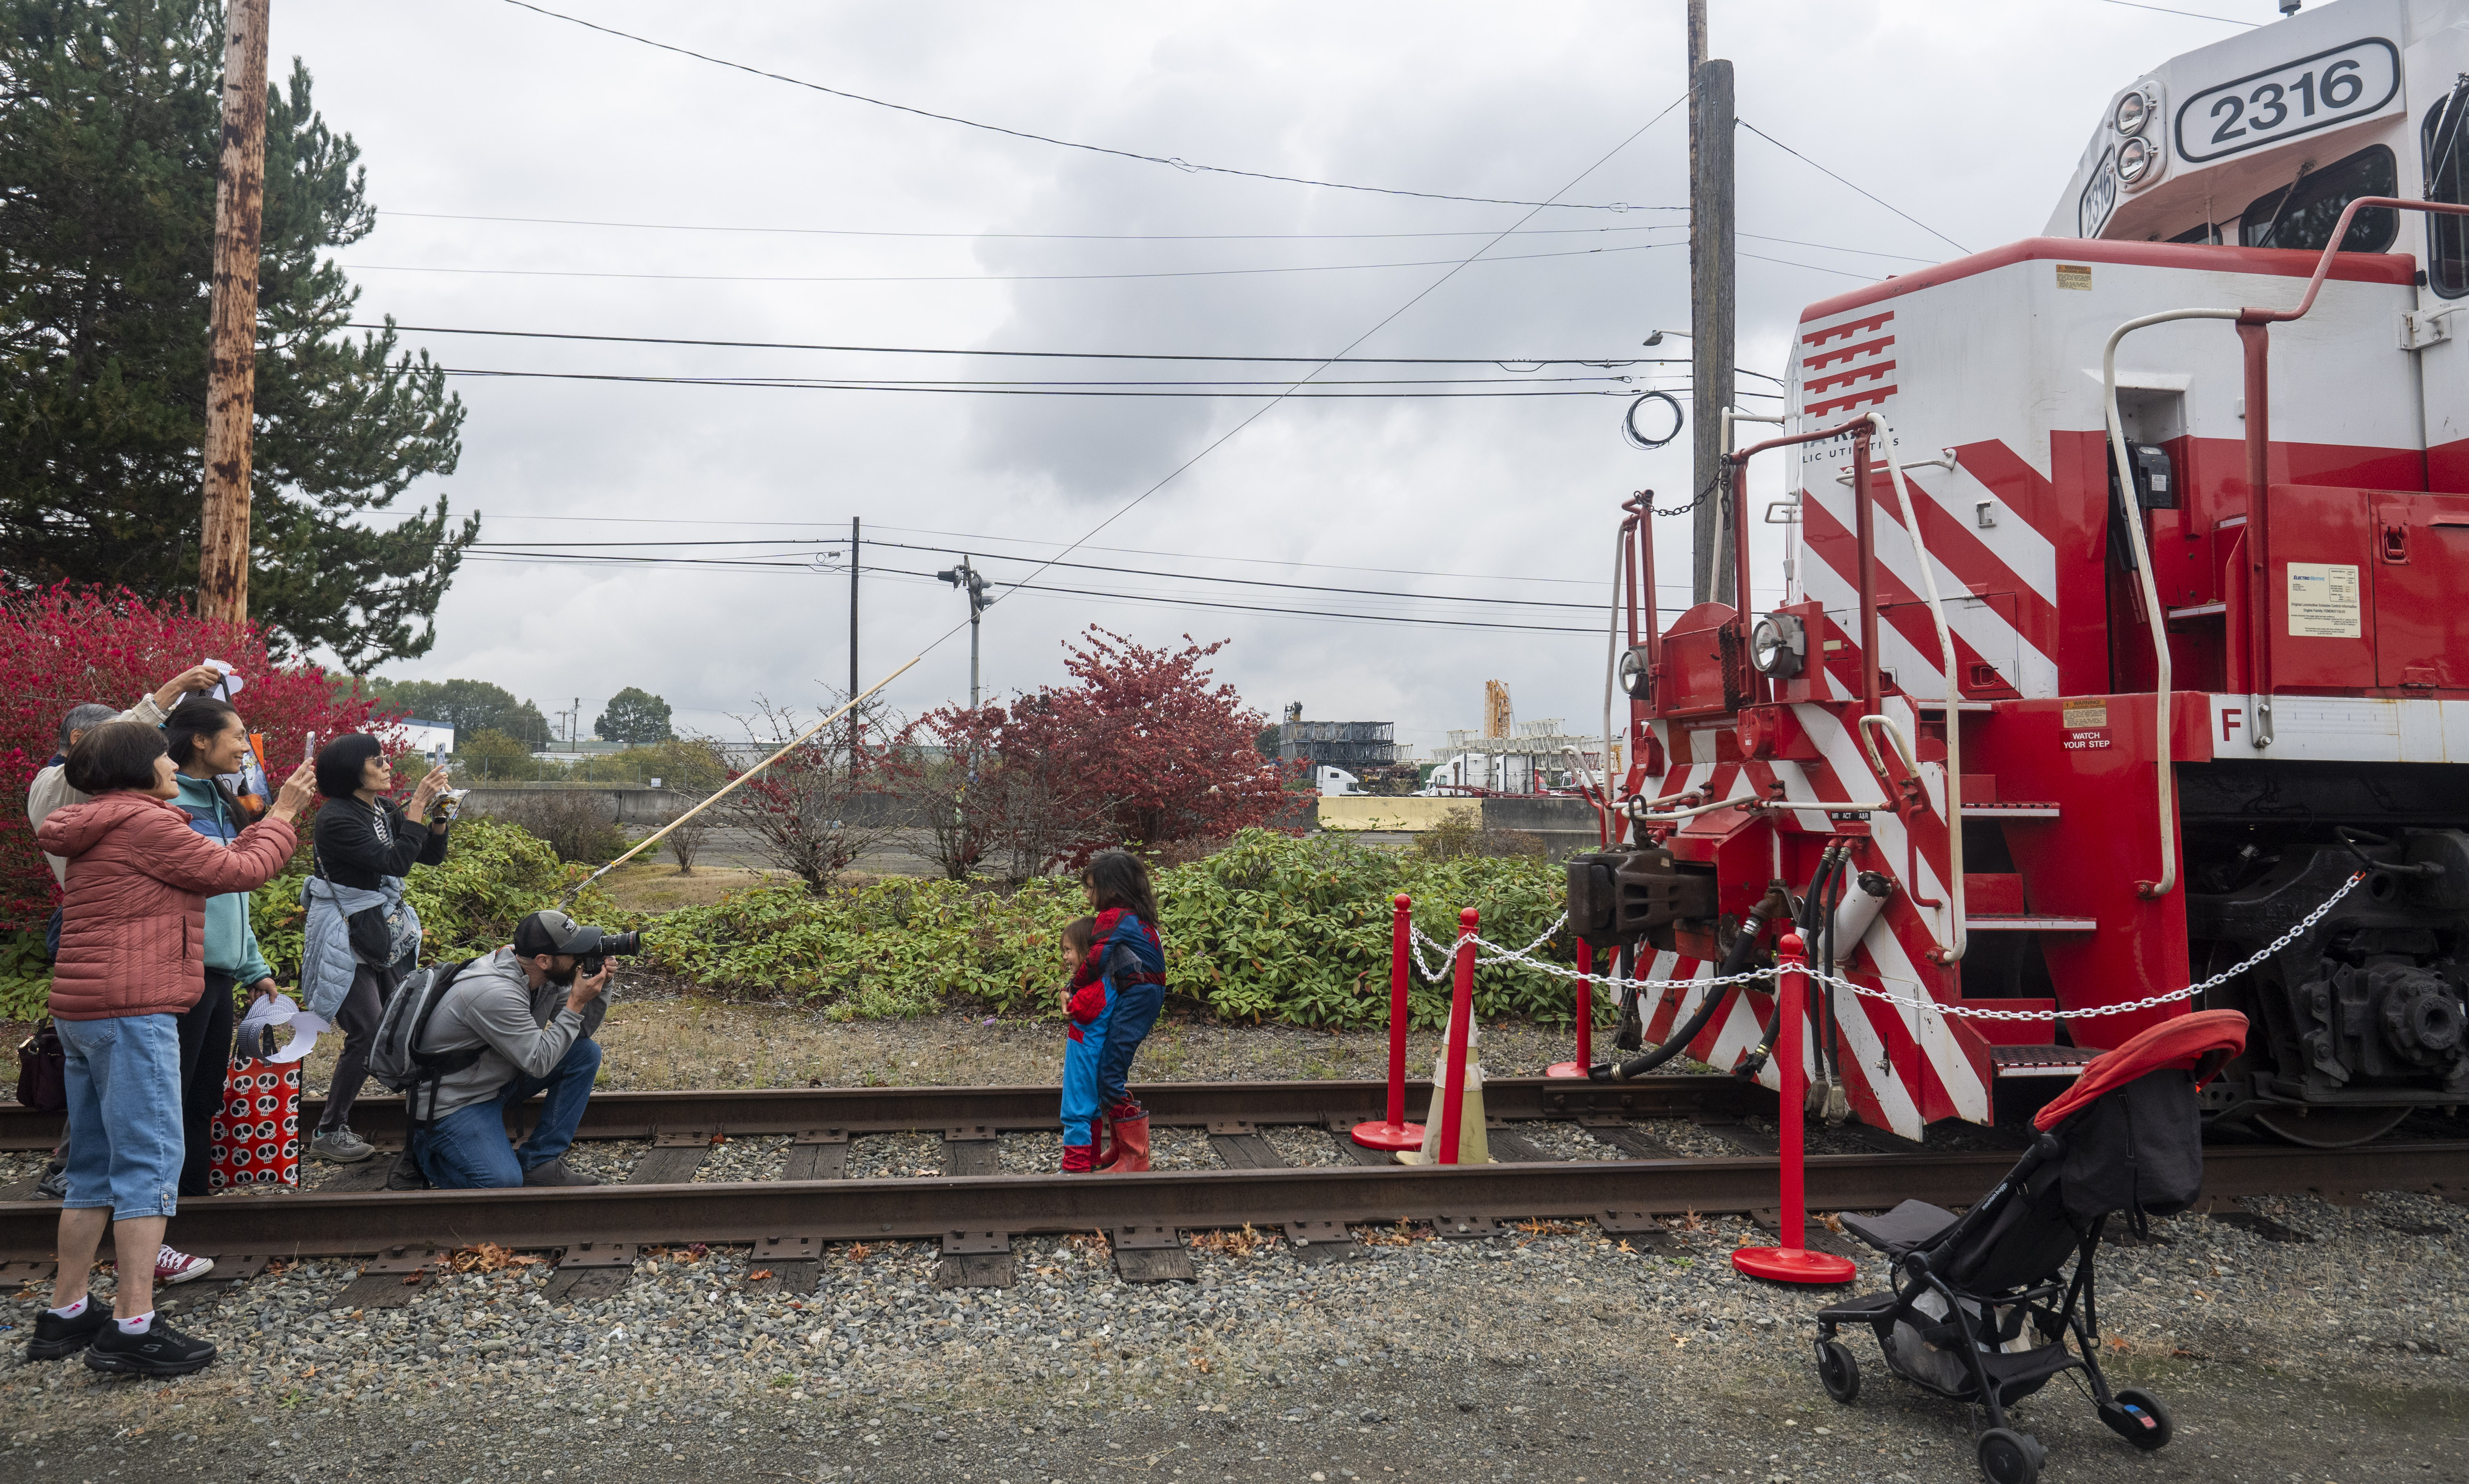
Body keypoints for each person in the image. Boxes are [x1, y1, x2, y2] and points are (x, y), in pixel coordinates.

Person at [26, 721, 314, 1375]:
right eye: (160, 754)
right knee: (150, 1163)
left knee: (93, 1168)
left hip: (84, 1009)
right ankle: (134, 1324)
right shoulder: (145, 824)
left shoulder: (98, 821)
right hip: (134, 1010)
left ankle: (66, 1310)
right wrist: (287, 811)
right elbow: (242, 869)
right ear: (138, 767)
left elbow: (210, 864)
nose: (169, 761)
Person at [299, 734, 452, 1162]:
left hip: (377, 928)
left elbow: (428, 855)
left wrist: (439, 815)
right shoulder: (336, 818)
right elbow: (395, 863)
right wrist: (419, 806)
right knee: (369, 1030)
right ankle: (329, 1130)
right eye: (378, 759)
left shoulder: (382, 809)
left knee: (403, 1022)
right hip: (342, 930)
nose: (388, 765)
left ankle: (428, 1114)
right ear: (353, 771)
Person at [163, 699, 285, 1201]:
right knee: (176, 1093)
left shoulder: (220, 800)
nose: (245, 746)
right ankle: (163, 1207)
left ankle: (192, 1199)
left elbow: (234, 894)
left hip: (221, 974)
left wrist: (253, 965)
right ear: (199, 740)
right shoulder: (170, 805)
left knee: (205, 1094)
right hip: (183, 970)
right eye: (237, 735)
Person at [407, 910, 611, 1189]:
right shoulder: (495, 993)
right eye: (574, 953)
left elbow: (582, 1030)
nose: (580, 958)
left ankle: (540, 1161)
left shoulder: (542, 977)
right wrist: (576, 1001)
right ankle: (421, 1158)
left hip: (493, 1081)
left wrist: (604, 984)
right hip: (456, 1101)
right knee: (503, 1183)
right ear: (544, 960)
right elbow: (539, 1062)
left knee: (584, 1054)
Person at [28, 665, 229, 888]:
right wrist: (177, 686)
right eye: (110, 735)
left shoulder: (79, 785)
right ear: (78, 738)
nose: (125, 749)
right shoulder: (56, 783)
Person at [1064, 850, 1168, 1175]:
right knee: (1109, 1067)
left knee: (1110, 1072)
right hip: (1145, 992)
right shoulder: (1135, 916)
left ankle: (1135, 1157)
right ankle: (1123, 1148)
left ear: (1110, 889)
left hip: (1139, 995)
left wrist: (1072, 988)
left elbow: (1095, 961)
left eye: (1091, 887)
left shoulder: (1114, 917)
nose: (1087, 894)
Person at [1056, 917, 1105, 1173]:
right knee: (1091, 1108)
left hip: (1085, 1052)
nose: (1065, 957)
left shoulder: (1096, 986)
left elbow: (1080, 1009)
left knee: (1076, 1108)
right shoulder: (1100, 981)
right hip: (1091, 1050)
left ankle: (1075, 1167)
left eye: (1068, 950)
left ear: (1086, 951)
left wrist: (1069, 999)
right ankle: (1093, 1160)